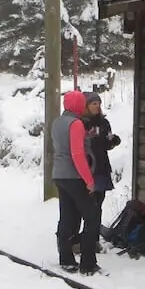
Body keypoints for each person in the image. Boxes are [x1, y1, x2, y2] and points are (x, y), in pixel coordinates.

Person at [52, 89, 101, 275]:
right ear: (79, 105)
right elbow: (78, 154)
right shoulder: (76, 124)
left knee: (67, 217)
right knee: (92, 217)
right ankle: (87, 264)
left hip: (59, 174)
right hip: (74, 176)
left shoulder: (57, 122)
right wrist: (88, 180)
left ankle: (66, 259)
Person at [83, 92, 120, 215]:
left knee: (98, 203)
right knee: (87, 205)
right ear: (86, 105)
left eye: (99, 103)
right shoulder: (81, 122)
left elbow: (106, 144)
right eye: (94, 103)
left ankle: (93, 231)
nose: (97, 106)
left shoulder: (104, 122)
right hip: (87, 167)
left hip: (101, 166)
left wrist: (113, 141)